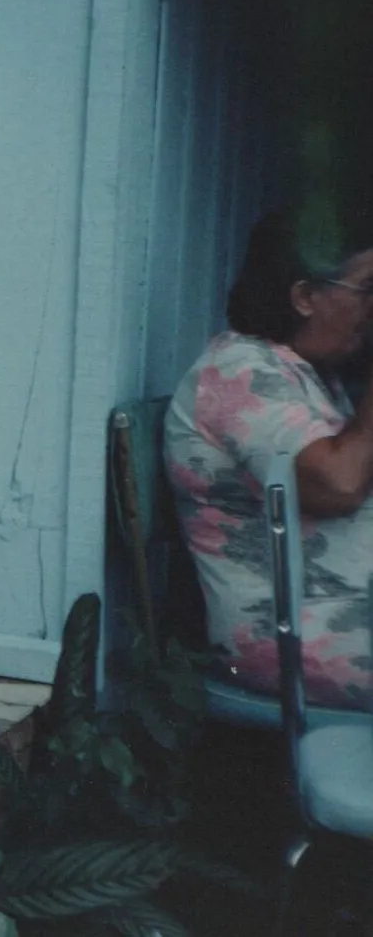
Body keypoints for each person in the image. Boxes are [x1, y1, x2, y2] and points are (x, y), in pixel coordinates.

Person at [165, 208, 373, 709]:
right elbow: (338, 485)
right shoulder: (240, 370)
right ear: (304, 296)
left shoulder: (308, 374)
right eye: (368, 289)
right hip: (301, 636)